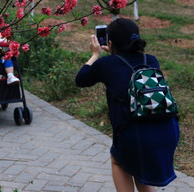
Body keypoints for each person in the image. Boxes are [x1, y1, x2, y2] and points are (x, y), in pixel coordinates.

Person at [75, 18, 179, 192]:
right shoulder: (151, 60)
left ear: (109, 42)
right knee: (139, 167)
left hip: (135, 134)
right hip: (167, 130)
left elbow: (81, 79)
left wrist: (95, 54)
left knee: (118, 160)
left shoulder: (105, 64)